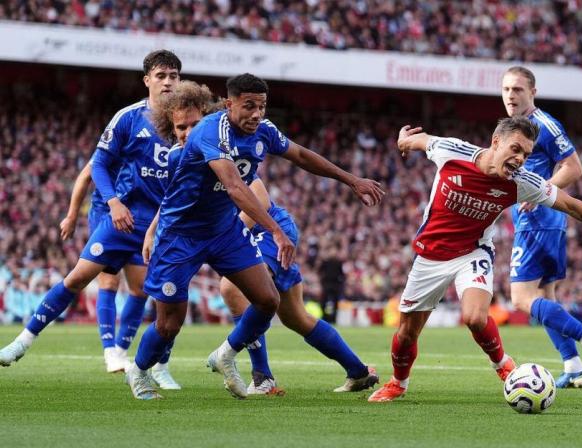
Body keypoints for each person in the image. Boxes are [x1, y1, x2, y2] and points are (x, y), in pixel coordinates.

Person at [130, 75, 383, 400]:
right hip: (181, 237)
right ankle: (138, 370)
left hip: (224, 231)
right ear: (229, 104)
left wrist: (351, 180)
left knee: (267, 300)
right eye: (248, 106)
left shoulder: (263, 131)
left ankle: (228, 356)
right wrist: (276, 232)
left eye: (261, 106)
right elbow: (235, 187)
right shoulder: (211, 131)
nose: (256, 114)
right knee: (169, 324)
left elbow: (302, 155)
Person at [368, 118, 582, 402]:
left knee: (475, 317)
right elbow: (422, 140)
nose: (520, 159)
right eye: (516, 149)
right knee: (406, 334)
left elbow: (571, 205)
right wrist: (404, 140)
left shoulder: (522, 182)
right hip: (430, 256)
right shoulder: (452, 151)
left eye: (526, 154)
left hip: (473, 252)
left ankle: (503, 365)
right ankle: (398, 383)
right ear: (496, 142)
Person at [0, 50, 183, 393]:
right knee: (77, 279)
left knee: (161, 296)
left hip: (162, 225)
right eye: (161, 75)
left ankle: (157, 366)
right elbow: (96, 166)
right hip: (123, 220)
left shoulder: (187, 122)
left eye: (174, 75)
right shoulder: (128, 118)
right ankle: (21, 342)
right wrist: (113, 204)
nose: (169, 81)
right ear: (148, 81)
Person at [501, 66, 582, 388]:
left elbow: (574, 167)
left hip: (539, 220)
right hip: (539, 221)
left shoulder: (545, 125)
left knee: (521, 298)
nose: (511, 95)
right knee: (544, 297)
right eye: (507, 89)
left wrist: (541, 193)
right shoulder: (514, 127)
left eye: (518, 90)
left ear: (532, 93)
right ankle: (574, 364)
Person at [60, 157, 149, 374]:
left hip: (137, 215)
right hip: (105, 213)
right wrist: (72, 216)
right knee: (109, 281)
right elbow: (84, 176)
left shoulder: (149, 145)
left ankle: (120, 350)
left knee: (141, 288)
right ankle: (110, 351)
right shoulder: (116, 140)